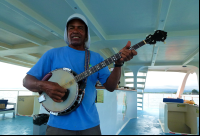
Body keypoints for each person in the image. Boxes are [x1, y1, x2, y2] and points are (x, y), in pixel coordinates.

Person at [23, 13, 137, 135]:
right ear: (67, 32)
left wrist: (118, 65)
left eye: (80, 28)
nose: (75, 31)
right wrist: (44, 86)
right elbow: (27, 81)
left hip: (90, 125)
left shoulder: (96, 58)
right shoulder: (53, 54)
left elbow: (111, 87)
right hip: (58, 126)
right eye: (71, 28)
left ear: (86, 34)